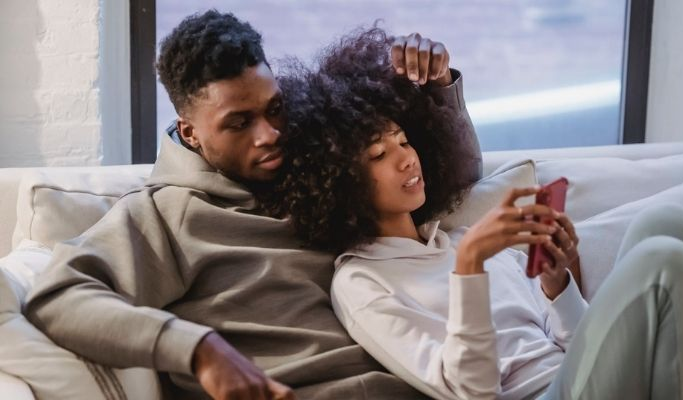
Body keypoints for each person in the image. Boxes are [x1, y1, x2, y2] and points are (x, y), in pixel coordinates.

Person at [24, 9, 481, 400]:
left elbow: (448, 182)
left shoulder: (315, 162)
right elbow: (57, 297)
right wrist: (200, 349)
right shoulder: (167, 214)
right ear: (191, 133)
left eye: (275, 108)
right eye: (238, 123)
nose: (269, 135)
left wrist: (437, 86)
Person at [275, 28, 683, 400]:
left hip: (573, 380)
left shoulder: (459, 240)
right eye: (380, 154)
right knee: (662, 259)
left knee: (664, 224)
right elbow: (469, 391)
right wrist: (469, 270)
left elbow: (571, 345)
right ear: (339, 182)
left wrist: (556, 284)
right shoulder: (361, 283)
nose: (406, 159)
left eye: (404, 141)